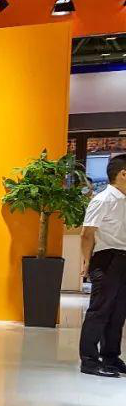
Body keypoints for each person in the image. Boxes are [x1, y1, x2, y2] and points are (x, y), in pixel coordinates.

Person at [79, 154, 126, 376]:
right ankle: (89, 360)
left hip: (124, 258)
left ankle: (111, 357)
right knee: (100, 310)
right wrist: (86, 261)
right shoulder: (103, 200)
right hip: (107, 258)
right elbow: (87, 233)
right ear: (123, 174)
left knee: (119, 311)